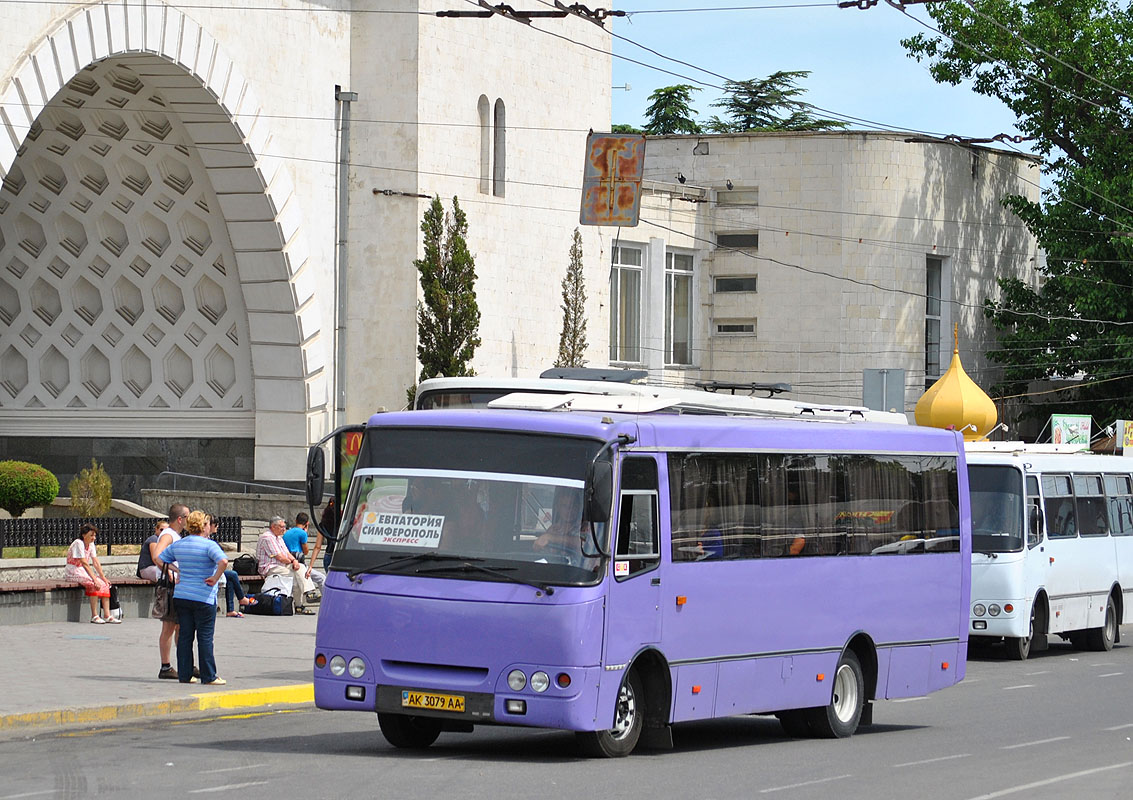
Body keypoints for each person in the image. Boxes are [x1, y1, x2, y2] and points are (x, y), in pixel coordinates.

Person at [158, 510, 228, 685]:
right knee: (204, 637)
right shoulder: (209, 545)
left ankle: (185, 674)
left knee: (185, 636)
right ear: (204, 526)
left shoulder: (180, 544)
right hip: (203, 595)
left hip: (182, 595)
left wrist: (178, 571)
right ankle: (209, 675)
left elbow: (162, 558)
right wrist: (216, 577)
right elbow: (224, 562)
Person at [151, 503, 191, 680]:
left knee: (179, 626)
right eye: (187, 517)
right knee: (169, 626)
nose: (190, 520)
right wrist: (172, 571)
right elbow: (157, 556)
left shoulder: (176, 535)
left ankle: (183, 663)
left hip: (177, 585)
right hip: (170, 586)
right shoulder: (168, 534)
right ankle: (165, 666)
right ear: (180, 519)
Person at [257, 515, 316, 614]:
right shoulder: (267, 537)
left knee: (300, 567)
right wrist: (292, 562)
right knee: (296, 577)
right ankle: (300, 605)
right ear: (273, 526)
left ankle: (309, 592)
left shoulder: (279, 538)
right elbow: (279, 557)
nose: (284, 529)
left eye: (284, 526)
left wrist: (295, 561)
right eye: (281, 527)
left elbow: (287, 553)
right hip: (270, 567)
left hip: (281, 565)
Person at [202, 513, 257, 618]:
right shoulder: (206, 541)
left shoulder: (208, 539)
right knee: (232, 574)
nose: (217, 528)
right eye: (216, 525)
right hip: (210, 573)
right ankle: (241, 599)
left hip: (213, 572)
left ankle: (231, 609)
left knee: (231, 577)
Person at [65, 523, 118, 624]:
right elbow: (84, 562)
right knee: (93, 584)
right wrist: (94, 579)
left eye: (94, 535)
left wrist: (103, 577)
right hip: (73, 570)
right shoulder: (78, 543)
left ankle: (107, 615)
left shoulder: (91, 544)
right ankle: (94, 615)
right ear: (84, 535)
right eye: (91, 535)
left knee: (104, 584)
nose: (93, 538)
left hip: (83, 571)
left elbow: (95, 562)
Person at [533, 488, 587, 562]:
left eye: (573, 506)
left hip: (576, 571)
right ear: (558, 507)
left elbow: (582, 543)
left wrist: (551, 538)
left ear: (578, 507)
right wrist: (538, 546)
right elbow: (541, 549)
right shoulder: (553, 529)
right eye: (564, 506)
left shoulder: (584, 528)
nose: (569, 510)